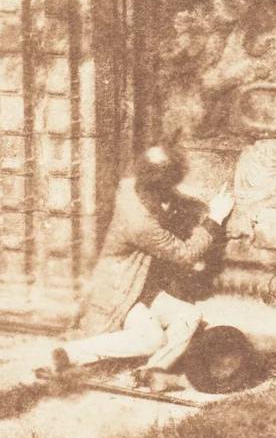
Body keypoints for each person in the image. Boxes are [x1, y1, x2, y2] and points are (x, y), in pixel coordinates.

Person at [47, 143, 234, 376]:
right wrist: (215, 218)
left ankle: (153, 370)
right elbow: (185, 255)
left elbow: (168, 197)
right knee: (153, 339)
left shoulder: (130, 186)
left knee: (190, 315)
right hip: (119, 294)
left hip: (137, 288)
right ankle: (70, 354)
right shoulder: (140, 224)